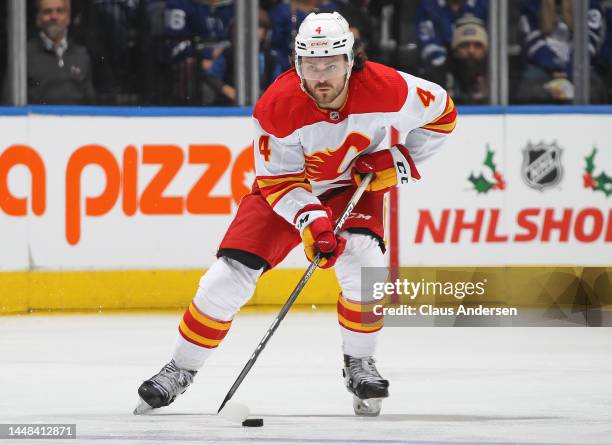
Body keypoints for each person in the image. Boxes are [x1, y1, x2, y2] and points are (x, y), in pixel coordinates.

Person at [135, 11, 457, 417]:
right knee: (225, 277)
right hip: (288, 190)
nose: (320, 77)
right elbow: (279, 182)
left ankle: (359, 363)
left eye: (330, 66)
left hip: (351, 185)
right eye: (310, 66)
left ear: (350, 61)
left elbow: (444, 114)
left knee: (365, 263)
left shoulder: (391, 88)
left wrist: (399, 160)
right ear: (296, 63)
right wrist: (313, 221)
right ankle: (179, 368)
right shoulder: (277, 105)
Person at [516, 0, 605, 103]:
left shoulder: (590, 4)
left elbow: (588, 43)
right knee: (529, 87)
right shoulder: (531, 4)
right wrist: (554, 66)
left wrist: (569, 70)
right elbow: (531, 41)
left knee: (594, 87)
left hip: (578, 67)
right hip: (542, 67)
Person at [27, 0, 95, 105]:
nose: (54, 17)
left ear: (68, 17)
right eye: (47, 12)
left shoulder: (82, 55)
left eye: (60, 11)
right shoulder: (24, 56)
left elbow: (92, 104)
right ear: (38, 19)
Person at [416, 0, 489, 88]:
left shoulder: (482, 3)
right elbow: (429, 44)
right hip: (445, 59)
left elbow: (495, 37)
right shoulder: (429, 4)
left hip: (479, 57)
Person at [449, 19, 489, 104]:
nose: (471, 51)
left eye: (477, 45)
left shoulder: (496, 81)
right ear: (455, 50)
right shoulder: (439, 81)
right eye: (465, 45)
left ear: (485, 51)